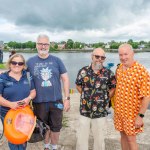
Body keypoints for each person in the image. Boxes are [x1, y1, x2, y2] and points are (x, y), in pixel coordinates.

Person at [27, 34, 70, 150]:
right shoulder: (30, 62)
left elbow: (65, 79)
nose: (43, 46)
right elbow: (19, 75)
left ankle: (54, 147)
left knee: (56, 127)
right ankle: (46, 146)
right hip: (39, 102)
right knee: (44, 127)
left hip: (56, 101)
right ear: (36, 45)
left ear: (49, 45)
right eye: (40, 44)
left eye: (45, 44)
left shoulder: (57, 61)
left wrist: (67, 99)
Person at [75, 48, 116, 150]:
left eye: (102, 57)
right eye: (97, 56)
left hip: (101, 112)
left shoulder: (109, 73)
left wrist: (106, 99)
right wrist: (86, 96)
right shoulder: (83, 71)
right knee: (81, 139)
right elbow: (78, 85)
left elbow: (113, 87)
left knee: (99, 140)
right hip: (85, 111)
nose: (99, 59)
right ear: (92, 56)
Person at [114, 43, 150, 150]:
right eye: (121, 55)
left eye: (126, 54)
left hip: (131, 114)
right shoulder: (119, 68)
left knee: (131, 140)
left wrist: (140, 116)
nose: (123, 57)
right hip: (119, 112)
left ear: (133, 53)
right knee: (123, 136)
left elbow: (146, 96)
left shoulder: (141, 71)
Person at [0, 54, 36, 150]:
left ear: (23, 65)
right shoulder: (3, 77)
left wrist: (28, 99)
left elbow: (33, 92)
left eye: (20, 63)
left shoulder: (27, 76)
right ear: (10, 64)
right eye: (14, 62)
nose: (17, 65)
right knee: (13, 138)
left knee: (23, 136)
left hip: (24, 112)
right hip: (7, 113)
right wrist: (10, 104)